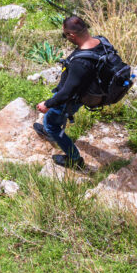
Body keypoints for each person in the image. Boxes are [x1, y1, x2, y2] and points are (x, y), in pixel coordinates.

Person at [32, 15, 105, 170]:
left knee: (52, 121)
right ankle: (49, 130)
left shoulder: (81, 63)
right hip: (81, 92)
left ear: (72, 35)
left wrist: (47, 104)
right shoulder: (101, 42)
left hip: (70, 99)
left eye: (65, 35)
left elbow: (66, 93)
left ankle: (74, 159)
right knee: (56, 117)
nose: (66, 38)